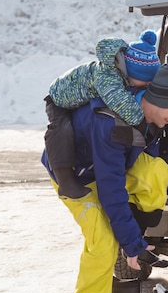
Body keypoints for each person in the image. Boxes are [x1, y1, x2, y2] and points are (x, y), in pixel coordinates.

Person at [41, 49, 168, 293]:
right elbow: (111, 189)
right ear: (155, 100)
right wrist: (129, 244)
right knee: (102, 241)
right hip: (78, 176)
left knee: (156, 171)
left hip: (107, 168)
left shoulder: (148, 115)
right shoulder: (112, 123)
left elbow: (146, 165)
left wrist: (135, 237)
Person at [44, 30, 160, 199]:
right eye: (147, 81)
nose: (149, 85)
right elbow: (124, 106)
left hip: (80, 98)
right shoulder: (107, 76)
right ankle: (65, 182)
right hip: (59, 99)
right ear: (132, 73)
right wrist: (143, 116)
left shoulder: (122, 72)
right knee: (61, 130)